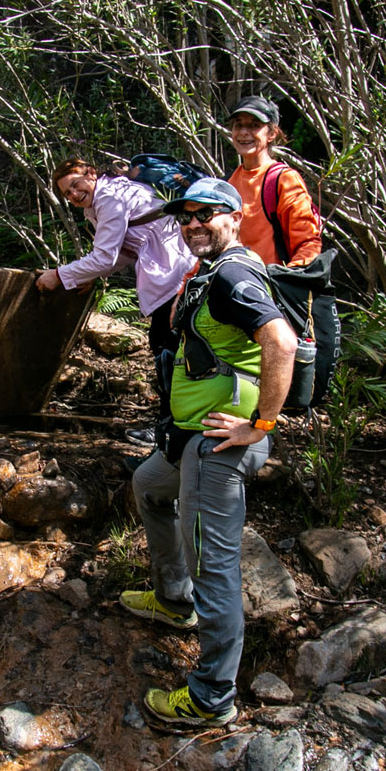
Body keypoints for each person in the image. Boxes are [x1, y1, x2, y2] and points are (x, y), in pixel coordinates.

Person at [121, 177, 297, 728]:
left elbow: (280, 340)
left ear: (235, 216)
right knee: (149, 486)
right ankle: (173, 599)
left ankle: (211, 696)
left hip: (218, 444)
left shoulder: (235, 274)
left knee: (213, 567)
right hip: (190, 434)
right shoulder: (211, 273)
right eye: (186, 217)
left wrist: (260, 423)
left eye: (205, 214)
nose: (193, 223)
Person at [38, 158, 196, 443]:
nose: (73, 195)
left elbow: (104, 256)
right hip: (173, 270)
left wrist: (60, 275)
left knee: (166, 348)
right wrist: (87, 276)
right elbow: (122, 250)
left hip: (174, 273)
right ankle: (174, 424)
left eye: (76, 185)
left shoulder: (109, 198)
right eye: (66, 193)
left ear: (91, 174)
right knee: (169, 347)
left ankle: (170, 428)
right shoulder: (103, 199)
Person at [225, 95, 321, 266]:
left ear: (272, 134)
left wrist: (287, 280)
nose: (244, 132)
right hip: (235, 286)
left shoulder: (284, 180)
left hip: (271, 286)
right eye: (238, 125)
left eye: (254, 126)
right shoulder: (228, 184)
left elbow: (308, 243)